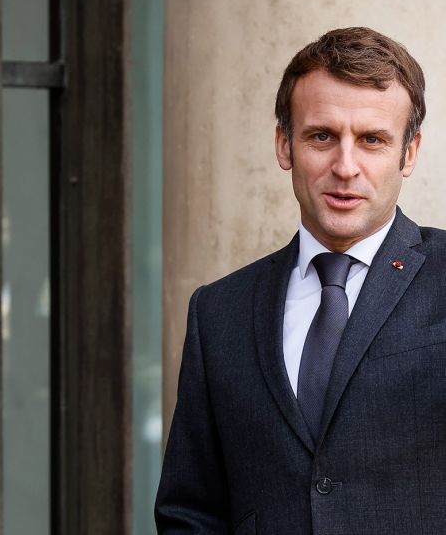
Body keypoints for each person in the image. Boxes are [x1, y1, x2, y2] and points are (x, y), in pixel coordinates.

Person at [155, 27, 446, 534]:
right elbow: (191, 510)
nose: (345, 167)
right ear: (284, 144)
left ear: (410, 153)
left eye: (372, 140)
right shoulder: (218, 311)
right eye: (322, 136)